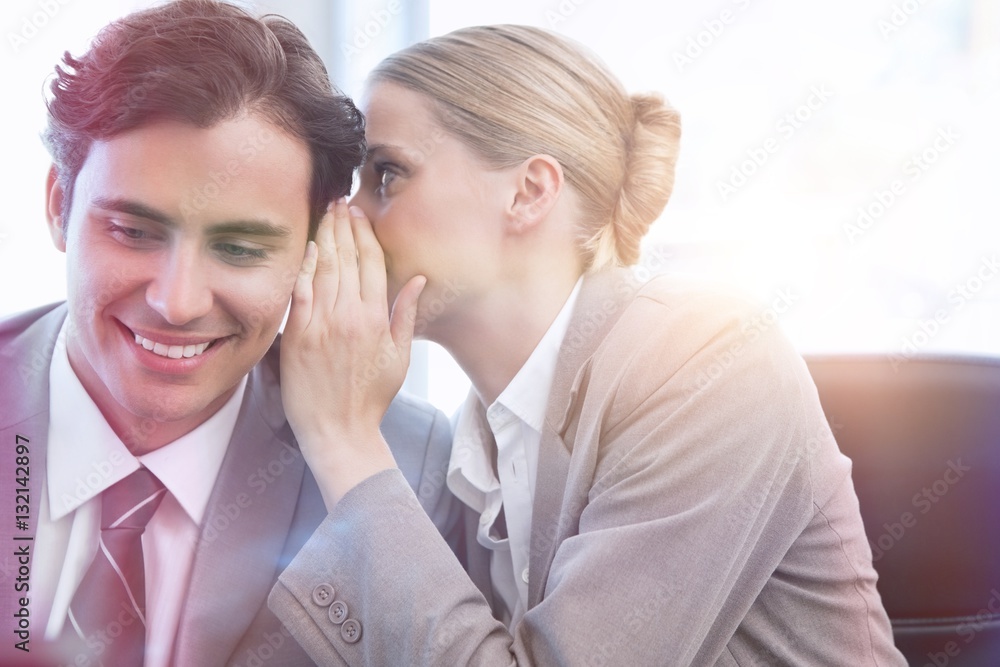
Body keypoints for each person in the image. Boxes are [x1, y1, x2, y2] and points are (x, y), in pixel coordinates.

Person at [269, 24, 908, 665]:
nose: (346, 217)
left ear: (529, 191)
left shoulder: (712, 361)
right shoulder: (474, 448)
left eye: (386, 175)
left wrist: (343, 438)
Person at [0, 1, 457, 665]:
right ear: (57, 206)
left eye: (240, 248)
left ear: (314, 252)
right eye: (133, 232)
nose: (177, 302)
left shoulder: (403, 471)